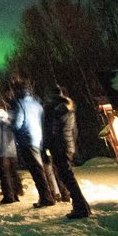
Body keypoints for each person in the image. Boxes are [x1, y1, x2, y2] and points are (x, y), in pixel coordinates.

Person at [46, 84, 91, 219]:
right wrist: (72, 146)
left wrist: (46, 147)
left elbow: (49, 130)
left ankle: (80, 207)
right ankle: (82, 206)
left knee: (66, 177)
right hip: (67, 145)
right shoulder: (69, 107)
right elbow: (74, 130)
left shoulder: (51, 108)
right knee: (68, 176)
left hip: (57, 146)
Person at [10, 77, 56, 208]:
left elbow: (18, 123)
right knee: (44, 168)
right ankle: (52, 194)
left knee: (37, 170)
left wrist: (11, 126)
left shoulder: (19, 104)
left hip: (28, 140)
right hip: (40, 139)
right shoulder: (36, 104)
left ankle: (46, 198)